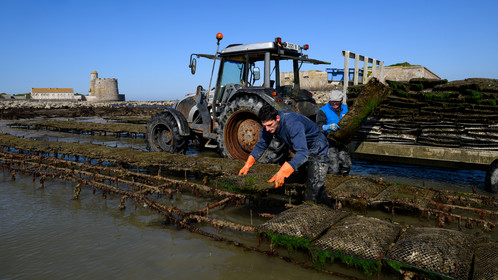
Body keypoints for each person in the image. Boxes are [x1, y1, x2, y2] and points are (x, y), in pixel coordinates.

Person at [238, 104, 329, 202]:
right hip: (301, 145)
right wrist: (248, 164)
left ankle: (320, 206)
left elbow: (303, 153)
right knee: (303, 178)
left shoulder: (292, 124)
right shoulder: (268, 126)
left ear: (277, 118)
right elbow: (261, 144)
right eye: (265, 126)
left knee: (315, 185)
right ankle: (302, 200)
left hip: (317, 144)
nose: (267, 129)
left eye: (269, 125)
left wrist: (283, 171)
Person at [316, 89, 352, 176]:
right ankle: (331, 181)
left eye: (337, 102)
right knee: (333, 166)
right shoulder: (323, 111)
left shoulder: (346, 109)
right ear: (329, 100)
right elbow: (318, 126)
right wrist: (328, 127)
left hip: (342, 140)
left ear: (341, 101)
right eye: (332, 102)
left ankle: (343, 178)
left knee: (346, 163)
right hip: (328, 141)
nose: (334, 104)